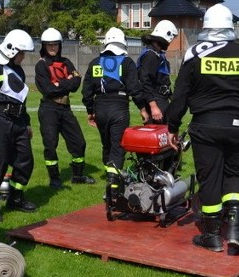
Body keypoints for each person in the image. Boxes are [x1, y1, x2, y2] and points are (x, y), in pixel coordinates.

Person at [167, 4, 239, 254]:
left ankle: (212, 236)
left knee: (210, 178)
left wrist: (172, 126)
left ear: (206, 26)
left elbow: (180, 95)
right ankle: (236, 231)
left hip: (204, 126)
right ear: (230, 27)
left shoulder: (195, 54)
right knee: (235, 176)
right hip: (236, 126)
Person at [0, 29, 37, 222]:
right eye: (21, 53)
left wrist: (26, 123)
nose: (23, 57)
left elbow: (21, 99)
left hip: (18, 121)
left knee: (25, 161)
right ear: (12, 50)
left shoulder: (17, 70)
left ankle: (15, 198)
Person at [82, 27, 148, 194]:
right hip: (119, 108)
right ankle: (113, 183)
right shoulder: (126, 63)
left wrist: (90, 110)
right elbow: (135, 89)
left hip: (100, 108)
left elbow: (87, 91)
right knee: (118, 146)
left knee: (106, 144)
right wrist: (142, 109)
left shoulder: (95, 63)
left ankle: (109, 173)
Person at [35, 28, 95, 190]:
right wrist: (66, 82)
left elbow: (76, 83)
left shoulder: (67, 62)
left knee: (79, 142)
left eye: (55, 44)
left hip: (65, 108)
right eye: (49, 45)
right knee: (50, 144)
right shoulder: (41, 65)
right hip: (49, 108)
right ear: (44, 46)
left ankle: (77, 176)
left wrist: (59, 84)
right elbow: (47, 89)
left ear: (60, 45)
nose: (53, 47)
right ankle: (54, 178)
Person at [137, 20, 178, 123]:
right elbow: (145, 82)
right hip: (156, 101)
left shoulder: (158, 54)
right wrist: (153, 106)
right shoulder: (150, 55)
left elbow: (162, 81)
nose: (169, 43)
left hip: (161, 99)